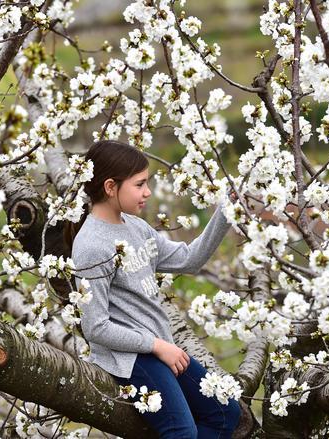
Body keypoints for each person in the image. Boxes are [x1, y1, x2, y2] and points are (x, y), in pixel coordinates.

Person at [65, 140, 241, 438]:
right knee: (181, 433)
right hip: (129, 358)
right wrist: (157, 346)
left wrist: (226, 210)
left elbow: (189, 259)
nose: (147, 192)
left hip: (159, 347)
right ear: (110, 187)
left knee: (226, 413)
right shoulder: (91, 246)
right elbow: (94, 327)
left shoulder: (136, 227)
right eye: (140, 184)